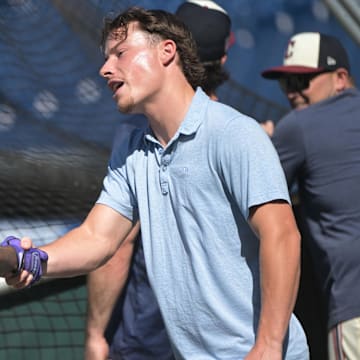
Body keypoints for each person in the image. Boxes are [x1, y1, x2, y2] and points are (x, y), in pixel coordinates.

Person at [2, 7, 309, 359]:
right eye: (106, 58)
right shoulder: (132, 150)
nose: (105, 69)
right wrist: (33, 259)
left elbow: (282, 236)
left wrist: (268, 346)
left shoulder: (234, 133)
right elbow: (97, 239)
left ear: (167, 51)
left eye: (120, 53)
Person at [85, 1, 234, 359]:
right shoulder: (238, 131)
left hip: (149, 338)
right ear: (224, 58)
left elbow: (116, 246)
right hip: (222, 340)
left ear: (170, 49)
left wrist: (96, 334)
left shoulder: (136, 135)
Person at [261, 31, 360, 360]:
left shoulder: (298, 127)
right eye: (286, 83)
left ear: (340, 78)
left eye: (303, 82)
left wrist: (260, 145)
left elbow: (252, 191)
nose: (292, 93)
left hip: (353, 304)